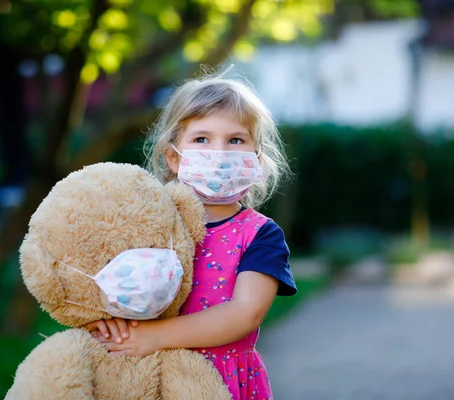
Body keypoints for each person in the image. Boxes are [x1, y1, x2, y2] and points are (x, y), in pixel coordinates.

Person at [85, 70, 297, 399]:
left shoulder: (260, 235)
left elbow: (245, 313)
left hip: (222, 383)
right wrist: (111, 326)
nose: (221, 153)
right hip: (147, 376)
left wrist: (153, 336)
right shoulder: (147, 223)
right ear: (173, 156)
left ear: (256, 157)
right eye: (201, 139)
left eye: (236, 140)